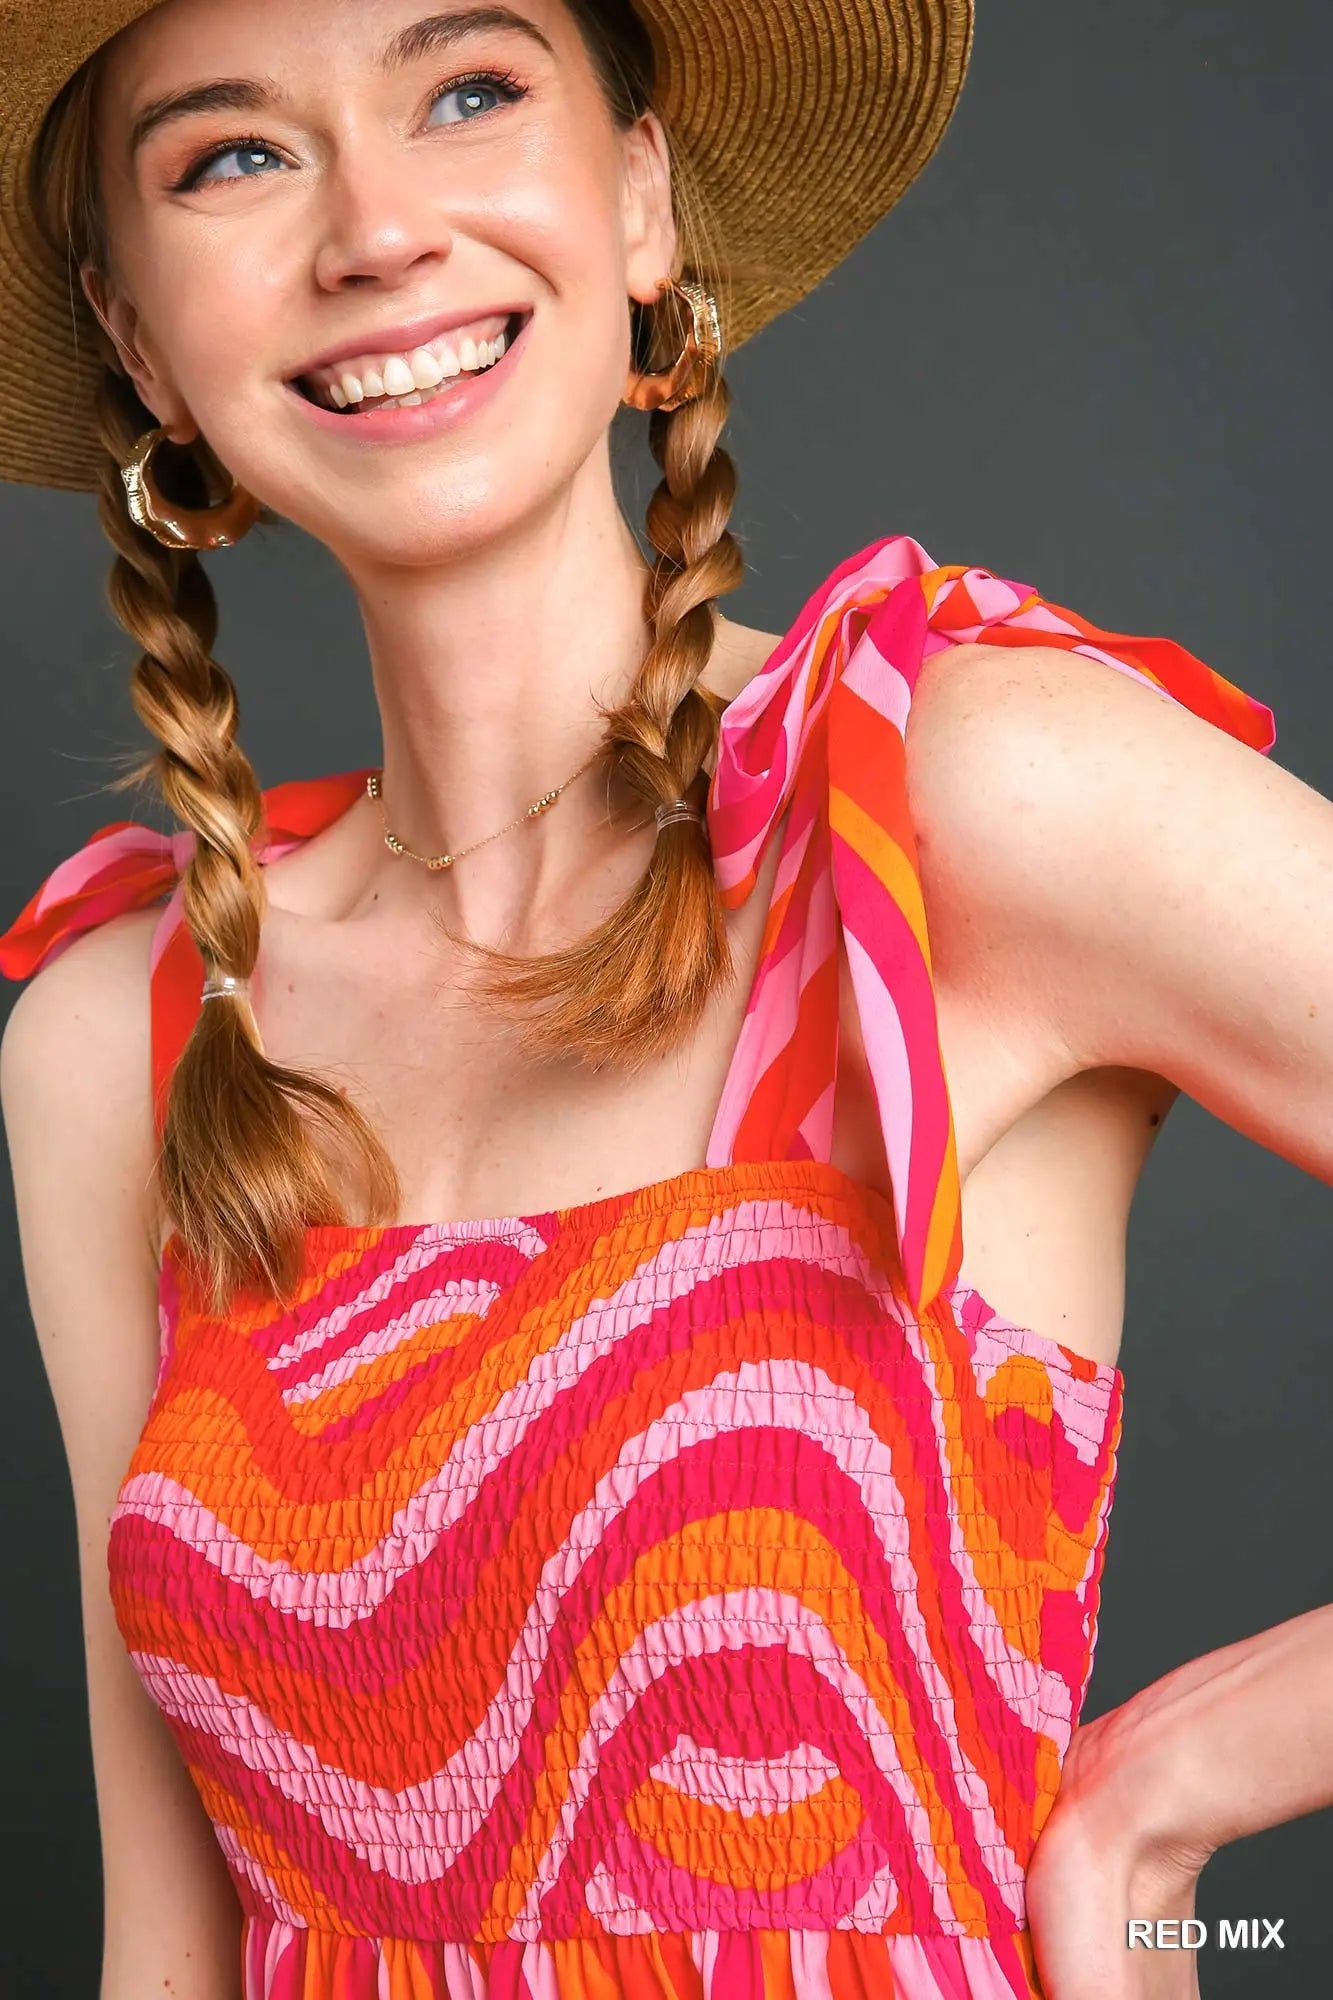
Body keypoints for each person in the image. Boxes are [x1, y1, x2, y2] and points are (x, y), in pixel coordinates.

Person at [0, 1, 1329, 1997]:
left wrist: (1172, 1779)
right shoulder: (124, 1028)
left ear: (637, 198)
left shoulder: (954, 803)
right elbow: (166, 1939)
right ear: (136, 342)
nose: (373, 227)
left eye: (466, 93)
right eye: (235, 155)